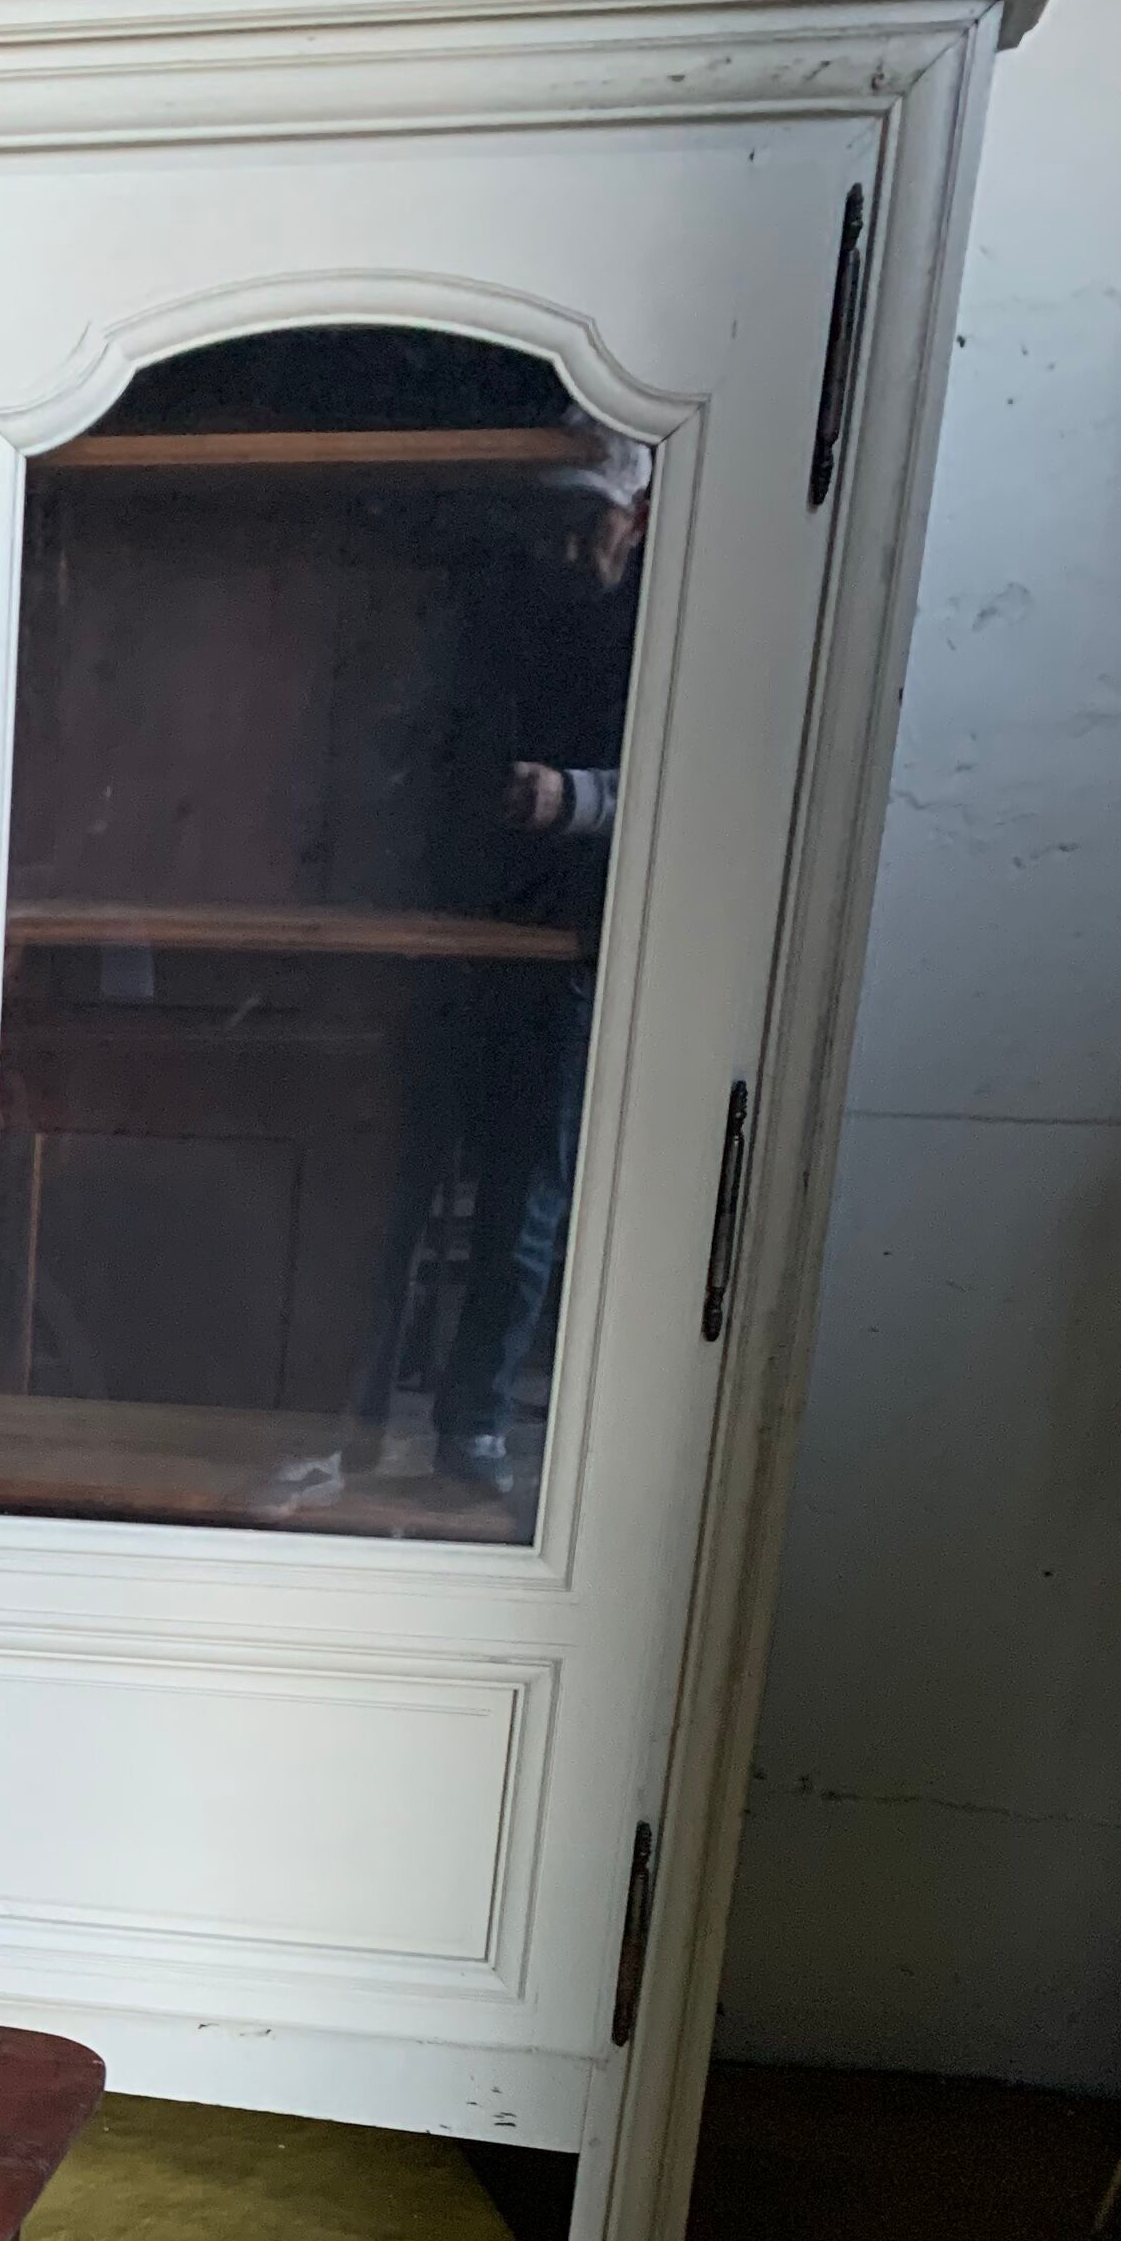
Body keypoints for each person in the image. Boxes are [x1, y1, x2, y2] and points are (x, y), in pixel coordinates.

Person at [259, 422, 650, 1529]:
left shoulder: (655, 633)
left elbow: (686, 770)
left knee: (525, 1199)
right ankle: (359, 1414)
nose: (572, 547)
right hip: (446, 929)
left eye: (592, 522)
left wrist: (571, 799)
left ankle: (472, 1420)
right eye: (557, 522)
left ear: (635, 518)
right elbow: (409, 743)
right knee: (399, 1180)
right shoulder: (487, 611)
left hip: (563, 939)